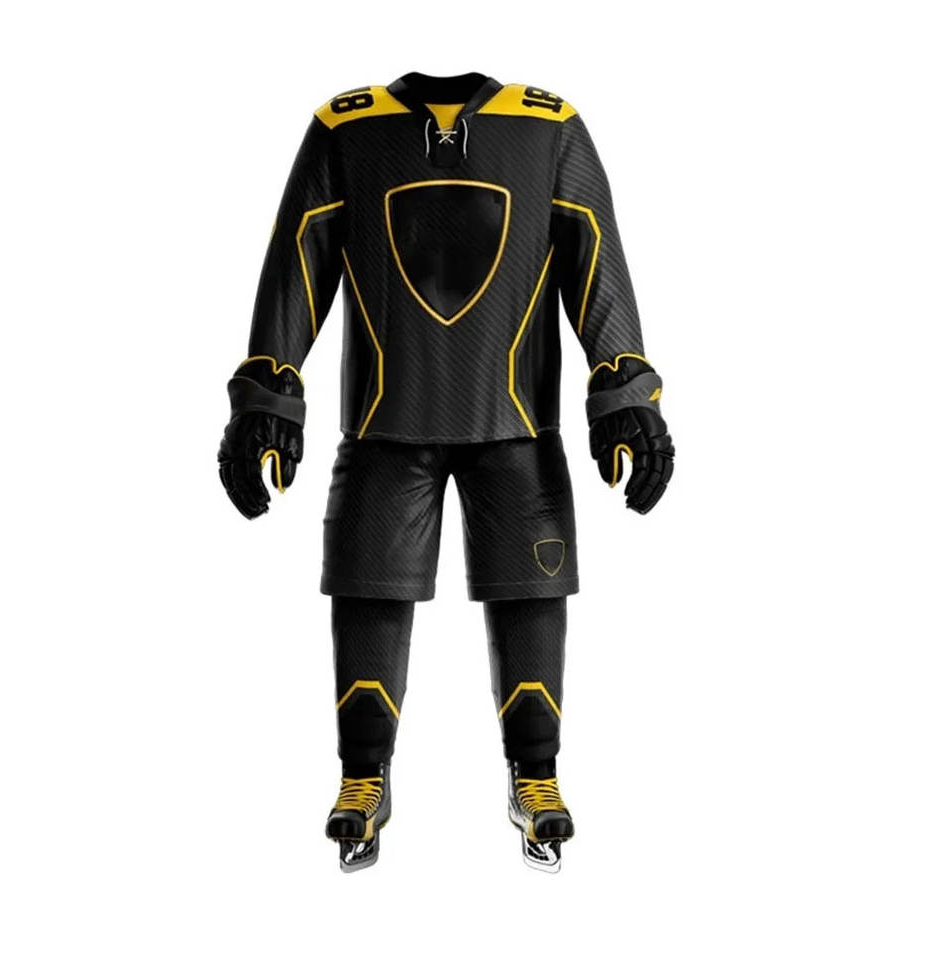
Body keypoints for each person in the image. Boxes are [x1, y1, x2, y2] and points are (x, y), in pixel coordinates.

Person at [218, 73, 674, 872]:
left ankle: (536, 775)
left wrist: (624, 385)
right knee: (369, 583)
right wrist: (268, 388)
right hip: (386, 423)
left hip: (517, 423)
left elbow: (593, 253)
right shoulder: (346, 129)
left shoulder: (549, 127)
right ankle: (364, 776)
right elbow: (299, 256)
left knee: (531, 591)